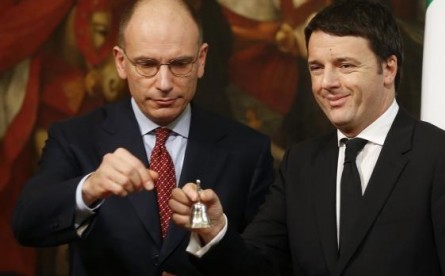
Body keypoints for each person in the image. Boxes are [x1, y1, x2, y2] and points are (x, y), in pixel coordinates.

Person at [169, 1, 445, 275]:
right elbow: (258, 266)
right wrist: (216, 230)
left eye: (345, 66)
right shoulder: (300, 163)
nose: (327, 83)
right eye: (316, 68)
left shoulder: (444, 158)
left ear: (388, 68)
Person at [11, 0, 274, 275]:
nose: (164, 83)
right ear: (121, 63)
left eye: (180, 63)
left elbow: (267, 267)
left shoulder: (248, 150)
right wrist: (89, 188)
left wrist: (218, 234)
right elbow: (27, 224)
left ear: (201, 60)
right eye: (147, 64)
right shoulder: (75, 138)